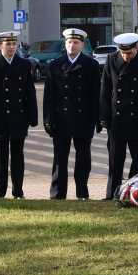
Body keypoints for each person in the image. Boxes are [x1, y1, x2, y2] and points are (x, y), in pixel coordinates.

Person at [99, 32, 138, 200]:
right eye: (123, 53)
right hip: (116, 119)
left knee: (137, 160)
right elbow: (105, 89)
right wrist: (104, 116)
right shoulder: (112, 59)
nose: (125, 56)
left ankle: (135, 192)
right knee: (115, 160)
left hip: (137, 119)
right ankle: (112, 193)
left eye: (129, 53)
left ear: (137, 48)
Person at [0, 31, 38, 199]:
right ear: (0, 46)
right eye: (8, 44)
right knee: (1, 159)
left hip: (19, 118)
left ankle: (18, 191)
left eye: (14, 44)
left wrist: (32, 118)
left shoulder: (24, 64)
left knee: (18, 158)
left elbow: (29, 93)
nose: (11, 47)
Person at [43, 28, 100, 200]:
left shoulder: (91, 65)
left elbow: (95, 95)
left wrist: (95, 119)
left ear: (82, 44)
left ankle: (82, 192)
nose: (72, 45)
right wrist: (48, 119)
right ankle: (58, 193)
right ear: (65, 44)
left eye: (76, 42)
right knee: (60, 159)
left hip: (83, 119)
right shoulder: (55, 65)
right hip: (61, 119)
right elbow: (49, 96)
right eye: (69, 42)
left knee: (83, 160)